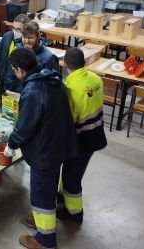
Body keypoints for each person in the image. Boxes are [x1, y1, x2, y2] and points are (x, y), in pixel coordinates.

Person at [4, 47, 78, 249]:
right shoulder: (52, 79)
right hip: (59, 145)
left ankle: (44, 240)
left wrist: (11, 145)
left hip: (45, 153)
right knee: (49, 188)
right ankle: (39, 221)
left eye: (13, 70)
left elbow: (25, 126)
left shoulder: (33, 91)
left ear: (19, 70)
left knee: (41, 194)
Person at [57, 47, 107, 223]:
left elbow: (68, 121)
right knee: (72, 171)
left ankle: (74, 213)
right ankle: (62, 196)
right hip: (96, 134)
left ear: (64, 64)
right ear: (84, 62)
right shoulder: (96, 79)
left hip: (79, 140)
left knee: (72, 178)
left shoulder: (70, 88)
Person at [0, 14, 30, 95]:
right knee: (4, 106)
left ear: (26, 29)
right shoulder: (7, 36)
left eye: (19, 29)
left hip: (19, 85)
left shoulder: (28, 43)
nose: (15, 31)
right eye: (14, 28)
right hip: (4, 81)